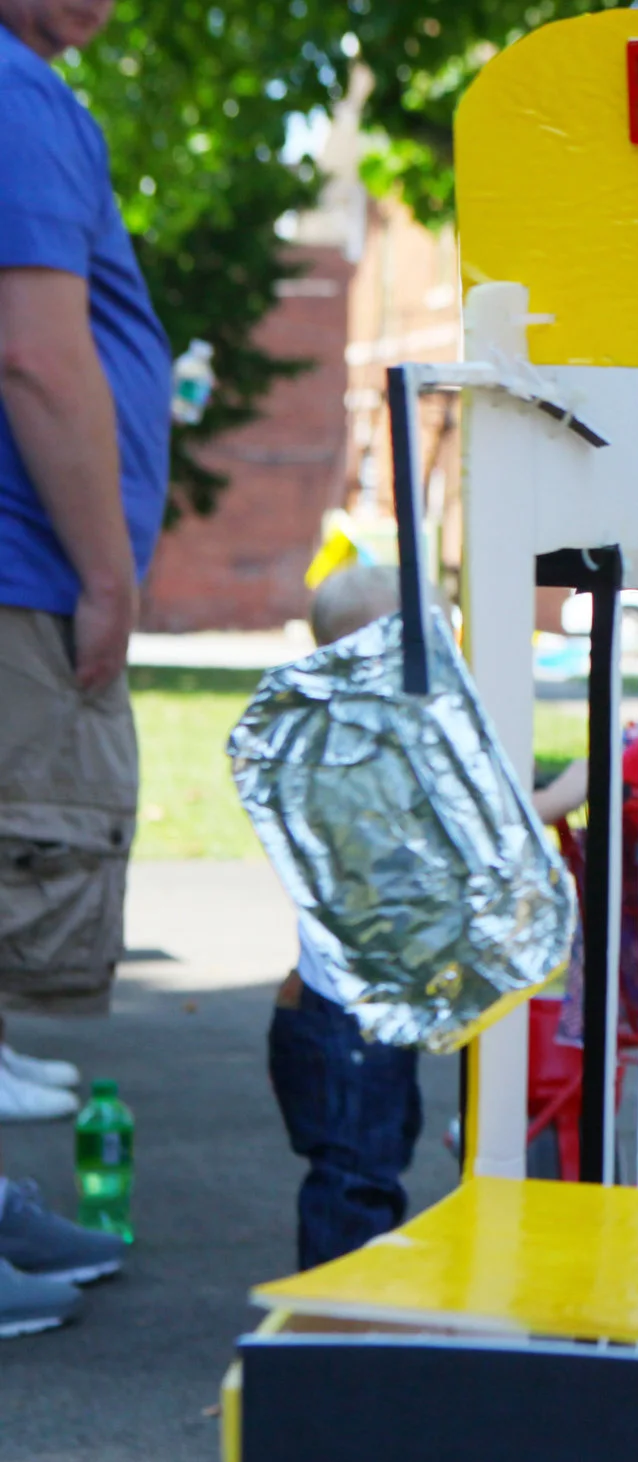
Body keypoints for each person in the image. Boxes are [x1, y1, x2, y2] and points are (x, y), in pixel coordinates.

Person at [0, 0, 170, 1334]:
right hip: (21, 579)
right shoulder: (13, 94)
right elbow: (39, 354)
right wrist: (106, 570)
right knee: (20, 883)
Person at [266, 566, 426, 1270]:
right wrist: (577, 782)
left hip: (340, 1011)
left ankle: (346, 1322)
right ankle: (332, 1332)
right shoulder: (355, 745)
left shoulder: (356, 732)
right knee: (356, 1178)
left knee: (367, 1166)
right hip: (343, 1019)